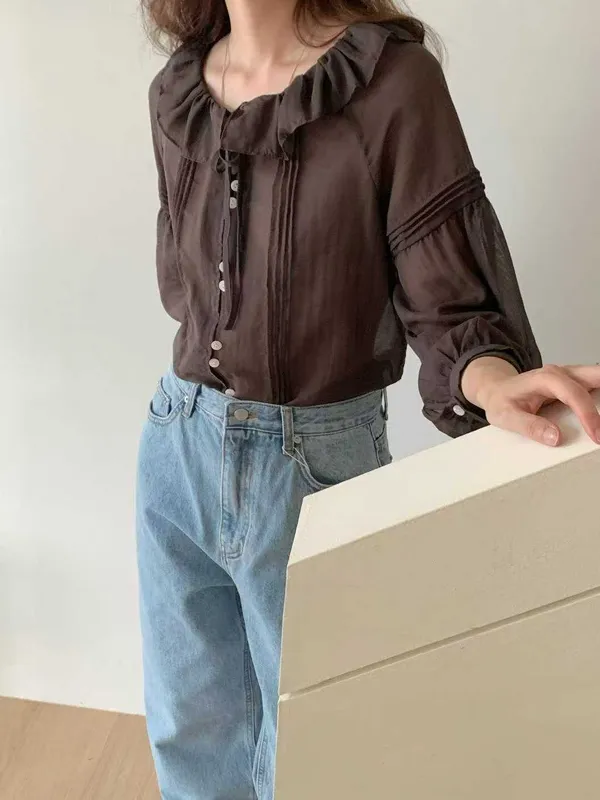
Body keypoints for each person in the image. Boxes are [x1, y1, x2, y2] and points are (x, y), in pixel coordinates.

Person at [137, 1, 600, 797]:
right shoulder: (177, 91)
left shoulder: (390, 83)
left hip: (311, 467)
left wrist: (490, 379)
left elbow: (445, 295)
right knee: (191, 736)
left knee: (321, 750)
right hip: (176, 447)